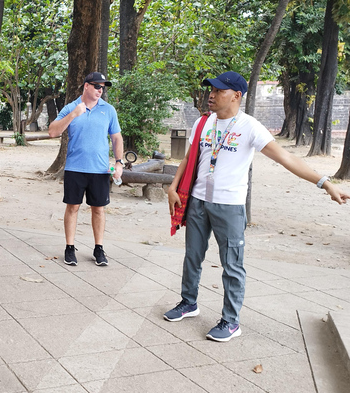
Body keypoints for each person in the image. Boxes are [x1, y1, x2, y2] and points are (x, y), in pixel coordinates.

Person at [164, 71, 350, 342]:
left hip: (229, 206)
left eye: (218, 91)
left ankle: (230, 320)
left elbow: (286, 158)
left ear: (236, 96)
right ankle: (188, 303)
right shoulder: (203, 123)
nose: (211, 95)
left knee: (232, 264)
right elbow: (189, 158)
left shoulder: (249, 127)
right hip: (198, 201)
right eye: (211, 90)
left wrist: (324, 182)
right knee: (192, 255)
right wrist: (173, 187)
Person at [48, 71, 124, 267]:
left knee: (98, 209)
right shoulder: (71, 107)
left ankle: (99, 248)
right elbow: (53, 132)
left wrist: (119, 162)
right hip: (75, 168)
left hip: (99, 170)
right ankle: (70, 248)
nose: (100, 90)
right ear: (86, 86)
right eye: (97, 86)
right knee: (72, 208)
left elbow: (116, 138)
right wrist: (74, 114)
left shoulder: (108, 110)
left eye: (103, 87)